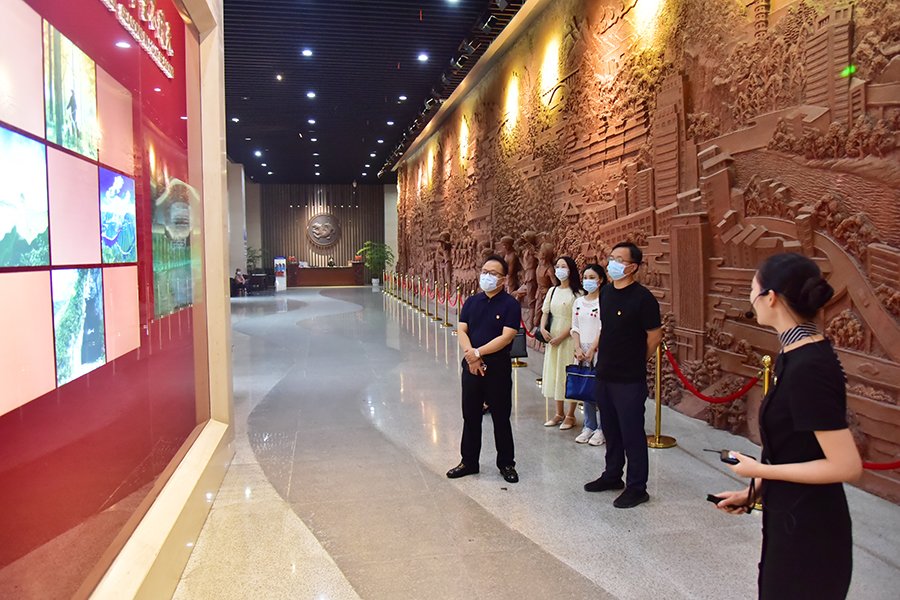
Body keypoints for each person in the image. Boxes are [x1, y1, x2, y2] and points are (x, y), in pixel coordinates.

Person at [713, 253, 862, 599]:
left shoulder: (810, 366)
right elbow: (795, 446)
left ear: (771, 297)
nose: (750, 299)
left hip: (811, 532)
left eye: (753, 290)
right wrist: (754, 491)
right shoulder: (792, 354)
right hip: (788, 517)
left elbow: (846, 466)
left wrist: (760, 470)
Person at [584, 242, 662, 508]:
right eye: (611, 257)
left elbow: (654, 337)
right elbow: (606, 327)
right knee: (610, 429)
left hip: (629, 378)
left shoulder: (643, 298)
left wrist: (637, 360)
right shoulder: (606, 292)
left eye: (619, 259)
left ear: (632, 267)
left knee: (632, 433)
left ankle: (637, 487)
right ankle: (612, 475)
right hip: (604, 372)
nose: (612, 263)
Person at [447, 255, 522, 484]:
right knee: (470, 415)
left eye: (493, 273)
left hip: (497, 368)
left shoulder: (510, 304)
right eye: (485, 271)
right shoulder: (471, 302)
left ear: (503, 279)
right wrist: (471, 356)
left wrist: (478, 353)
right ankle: (469, 461)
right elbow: (462, 330)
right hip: (471, 367)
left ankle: (506, 463)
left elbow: (507, 337)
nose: (487, 276)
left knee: (501, 417)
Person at [540, 256, 582, 430]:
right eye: (557, 266)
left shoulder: (577, 293)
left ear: (570, 270)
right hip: (553, 338)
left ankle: (570, 415)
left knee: (568, 374)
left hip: (569, 339)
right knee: (555, 373)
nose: (559, 269)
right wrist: (543, 329)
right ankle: (559, 413)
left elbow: (576, 319)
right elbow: (545, 312)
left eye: (563, 266)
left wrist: (562, 336)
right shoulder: (552, 291)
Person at [572, 264, 608, 446]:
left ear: (600, 280)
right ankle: (589, 425)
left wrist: (593, 347)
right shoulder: (578, 302)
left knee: (600, 390)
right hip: (582, 351)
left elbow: (604, 327)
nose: (588, 281)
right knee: (585, 388)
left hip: (599, 350)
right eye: (585, 277)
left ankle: (602, 429)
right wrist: (578, 348)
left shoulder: (604, 301)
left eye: (592, 278)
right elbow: (575, 326)